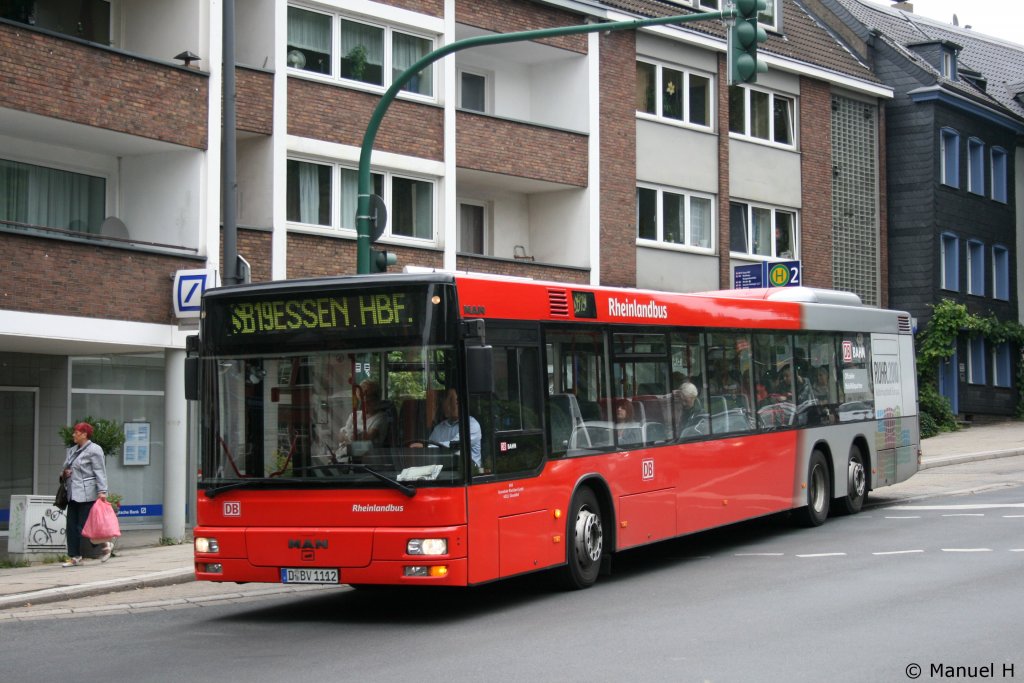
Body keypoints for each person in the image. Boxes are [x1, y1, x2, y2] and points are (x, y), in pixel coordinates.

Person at [61, 422, 111, 567]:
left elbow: (100, 471)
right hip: (72, 493)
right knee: (71, 525)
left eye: (76, 432)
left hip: (87, 493)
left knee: (85, 525)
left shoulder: (95, 450)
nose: (73, 435)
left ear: (84, 434)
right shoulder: (71, 450)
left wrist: (102, 491)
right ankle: (75, 556)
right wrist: (65, 473)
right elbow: (65, 468)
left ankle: (105, 545)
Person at [427, 388, 482, 468]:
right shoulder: (438, 428)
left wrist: (427, 447)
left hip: (469, 472)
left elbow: (455, 445)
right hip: (444, 471)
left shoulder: (472, 424)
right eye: (448, 401)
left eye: (454, 402)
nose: (451, 406)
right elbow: (430, 451)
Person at [338, 379, 390, 454]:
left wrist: (347, 439)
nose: (365, 403)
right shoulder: (354, 415)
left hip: (367, 458)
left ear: (376, 399)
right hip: (345, 456)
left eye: (369, 400)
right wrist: (350, 438)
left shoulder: (381, 417)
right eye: (362, 400)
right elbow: (340, 436)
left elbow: (368, 437)